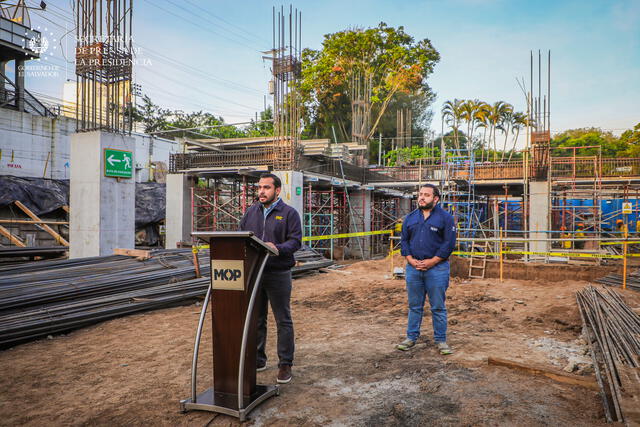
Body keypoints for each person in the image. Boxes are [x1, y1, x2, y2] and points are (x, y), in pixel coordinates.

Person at [239, 173, 302, 384]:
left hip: (278, 273)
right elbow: (241, 236)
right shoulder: (251, 212)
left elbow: (295, 242)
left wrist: (278, 248)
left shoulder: (289, 213)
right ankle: (258, 359)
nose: (261, 192)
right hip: (255, 273)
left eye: (266, 188)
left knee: (283, 319)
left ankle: (285, 364)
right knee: (257, 318)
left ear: (277, 190)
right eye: (259, 188)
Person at [397, 183, 456, 355]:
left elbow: (449, 244)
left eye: (426, 195)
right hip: (413, 269)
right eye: (420, 194)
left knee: (438, 306)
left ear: (435, 199)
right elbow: (405, 241)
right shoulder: (410, 218)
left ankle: (441, 340)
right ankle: (411, 337)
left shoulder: (445, 218)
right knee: (414, 306)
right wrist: (410, 260)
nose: (422, 197)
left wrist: (433, 261)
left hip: (437, 269)